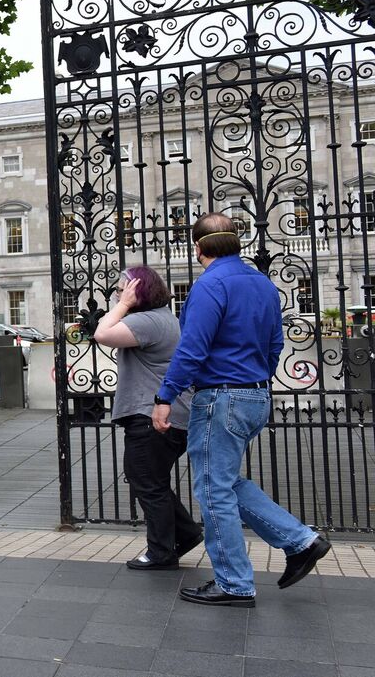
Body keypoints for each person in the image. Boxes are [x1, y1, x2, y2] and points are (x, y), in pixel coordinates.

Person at [153, 213, 330, 607]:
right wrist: (255, 377)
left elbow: (192, 349)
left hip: (221, 397)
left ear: (197, 248)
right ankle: (301, 541)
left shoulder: (209, 286)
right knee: (226, 482)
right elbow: (274, 344)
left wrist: (165, 397)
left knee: (213, 489)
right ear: (236, 242)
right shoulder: (262, 285)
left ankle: (234, 583)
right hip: (255, 394)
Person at [93, 265, 201, 570]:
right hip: (163, 414)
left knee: (146, 481)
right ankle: (186, 533)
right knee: (150, 480)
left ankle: (161, 552)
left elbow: (101, 333)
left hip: (151, 415)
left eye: (120, 289)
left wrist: (124, 304)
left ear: (137, 291)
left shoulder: (147, 321)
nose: (116, 295)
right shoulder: (162, 319)